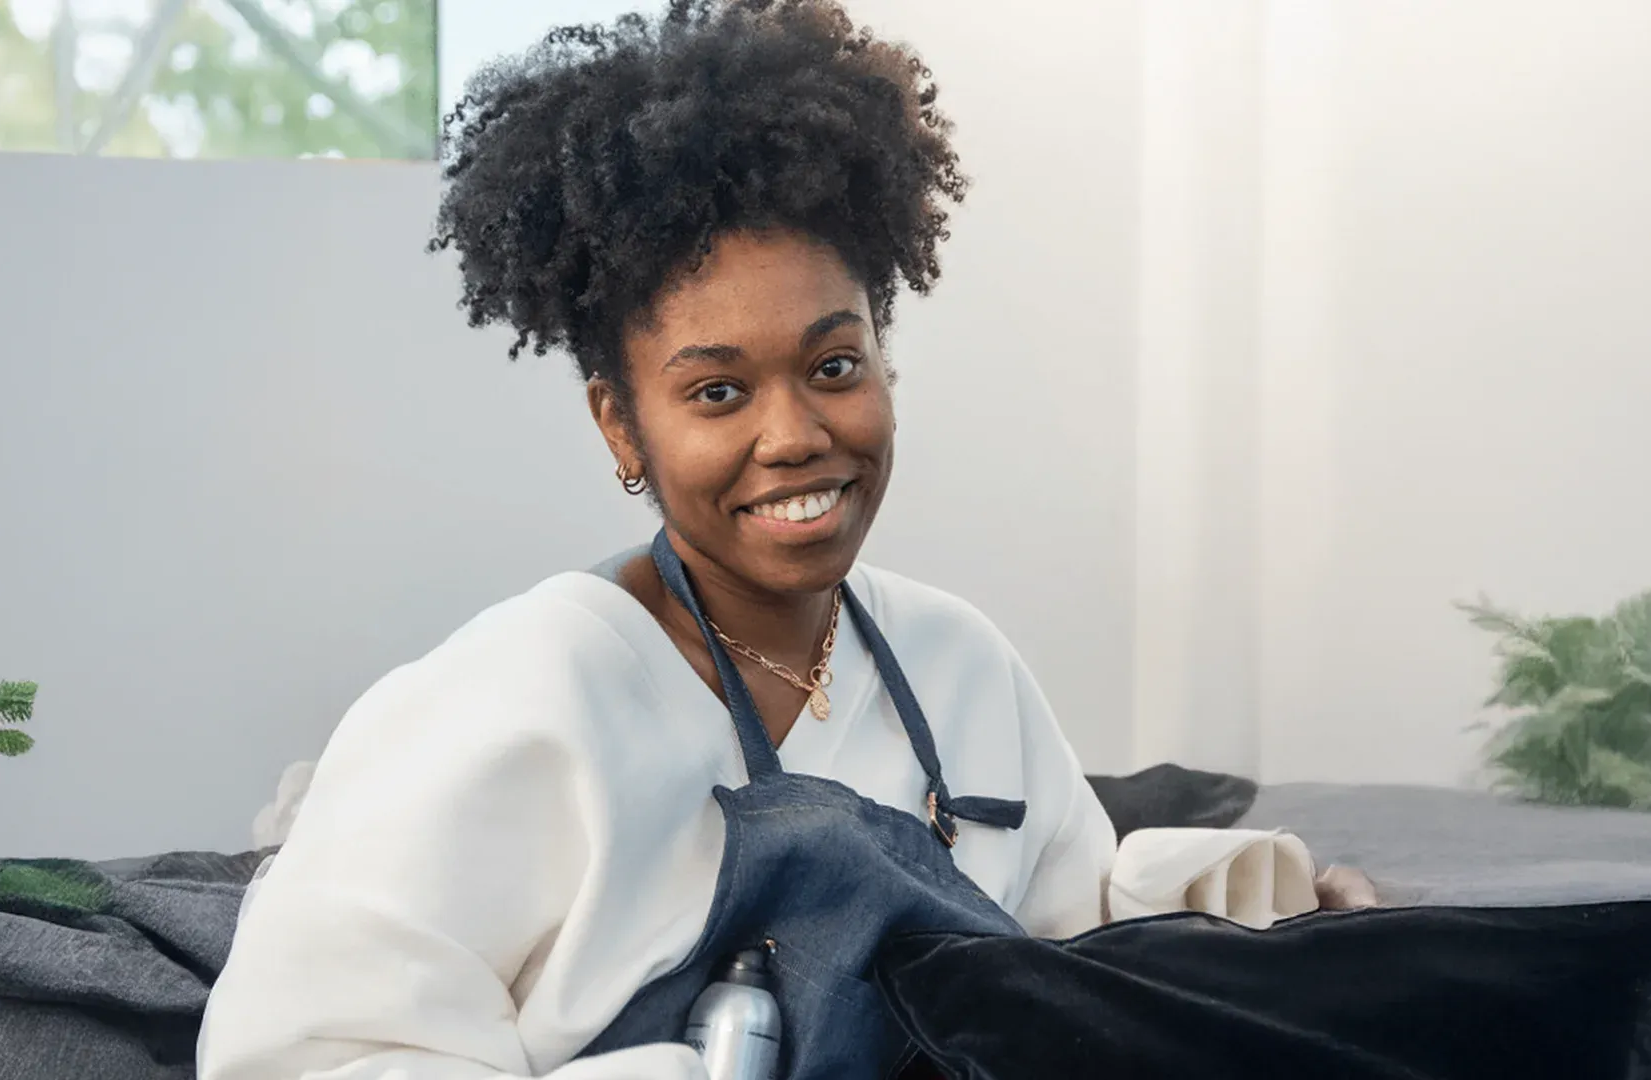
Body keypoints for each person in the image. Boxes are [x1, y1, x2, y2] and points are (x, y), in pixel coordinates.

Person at [196, 4, 1367, 1078]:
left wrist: (1278, 914)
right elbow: (307, 1053)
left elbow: (1068, 941)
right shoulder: (507, 705)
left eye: (834, 366)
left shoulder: (959, 665)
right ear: (621, 422)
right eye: (716, 394)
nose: (796, 434)